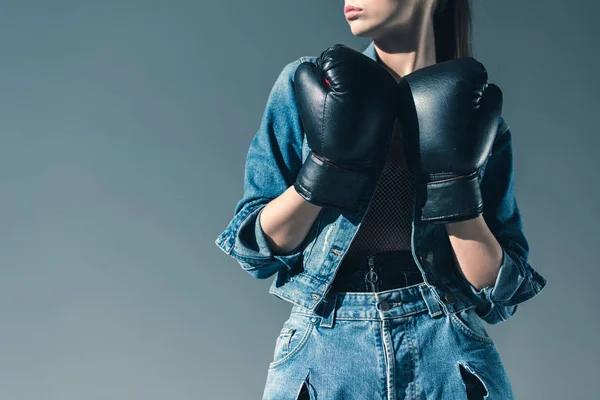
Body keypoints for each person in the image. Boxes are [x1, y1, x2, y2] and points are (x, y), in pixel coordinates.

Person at [215, 0, 548, 398]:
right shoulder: (308, 86)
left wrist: (452, 187)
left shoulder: (475, 113)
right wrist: (323, 173)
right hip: (326, 346)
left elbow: (499, 296)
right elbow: (253, 253)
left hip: (446, 345)